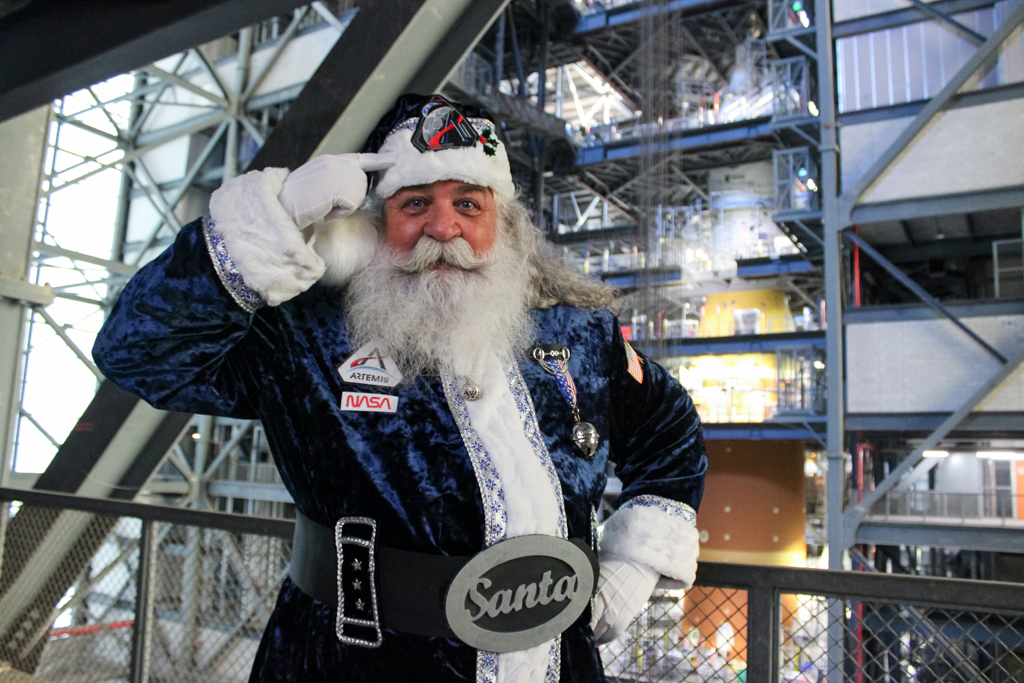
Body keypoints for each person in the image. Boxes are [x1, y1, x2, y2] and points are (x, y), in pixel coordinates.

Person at [93, 94, 706, 683]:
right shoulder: (303, 334)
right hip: (351, 661)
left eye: (469, 204)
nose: (443, 228)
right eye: (415, 204)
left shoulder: (578, 332)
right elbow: (138, 352)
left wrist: (638, 556)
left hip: (557, 658)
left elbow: (668, 429)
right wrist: (270, 221)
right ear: (371, 227)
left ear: (506, 223)